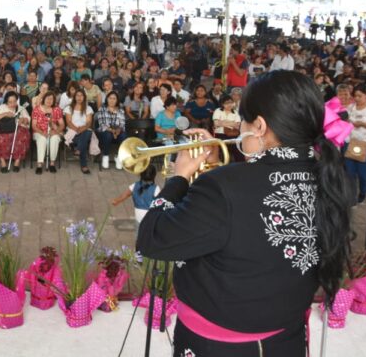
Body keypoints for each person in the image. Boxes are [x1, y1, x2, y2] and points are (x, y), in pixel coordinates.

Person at [137, 70, 354, 357]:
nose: (240, 128)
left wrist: (179, 180)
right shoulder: (330, 180)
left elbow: (153, 238)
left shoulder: (224, 187)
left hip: (217, 348)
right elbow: (245, 221)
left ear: (260, 126)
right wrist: (218, 169)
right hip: (286, 342)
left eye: (243, 121)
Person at [0, 91, 31, 173]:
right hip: (4, 128)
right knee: (0, 138)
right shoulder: (2, 107)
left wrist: (23, 120)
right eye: (10, 102)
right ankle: (2, 161)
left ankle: (17, 161)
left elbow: (28, 119)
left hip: (18, 128)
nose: (13, 104)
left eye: (14, 101)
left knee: (21, 136)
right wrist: (5, 114)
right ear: (6, 101)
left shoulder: (20, 108)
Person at [31, 91, 64, 174]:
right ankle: (39, 164)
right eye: (47, 98)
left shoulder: (57, 110)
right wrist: (42, 133)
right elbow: (34, 126)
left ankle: (52, 163)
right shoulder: (37, 109)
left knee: (55, 139)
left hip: (52, 131)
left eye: (51, 99)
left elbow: (62, 125)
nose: (49, 100)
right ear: (43, 99)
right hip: (39, 131)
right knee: (42, 139)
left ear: (54, 101)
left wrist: (55, 131)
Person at [64, 89, 94, 175]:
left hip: (85, 130)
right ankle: (83, 165)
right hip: (72, 131)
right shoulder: (69, 108)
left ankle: (78, 149)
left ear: (84, 97)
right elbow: (69, 122)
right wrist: (77, 129)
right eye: (77, 95)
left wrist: (82, 129)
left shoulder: (88, 108)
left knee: (87, 133)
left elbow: (88, 123)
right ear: (74, 97)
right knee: (84, 140)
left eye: (81, 95)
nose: (79, 97)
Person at [95, 91, 126, 170]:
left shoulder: (121, 110)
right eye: (110, 98)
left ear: (117, 100)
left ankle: (119, 157)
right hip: (104, 131)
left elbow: (122, 124)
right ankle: (105, 155)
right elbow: (102, 124)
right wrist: (112, 131)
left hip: (117, 131)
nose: (112, 100)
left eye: (114, 98)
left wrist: (118, 130)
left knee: (123, 135)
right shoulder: (102, 109)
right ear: (107, 99)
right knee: (108, 135)